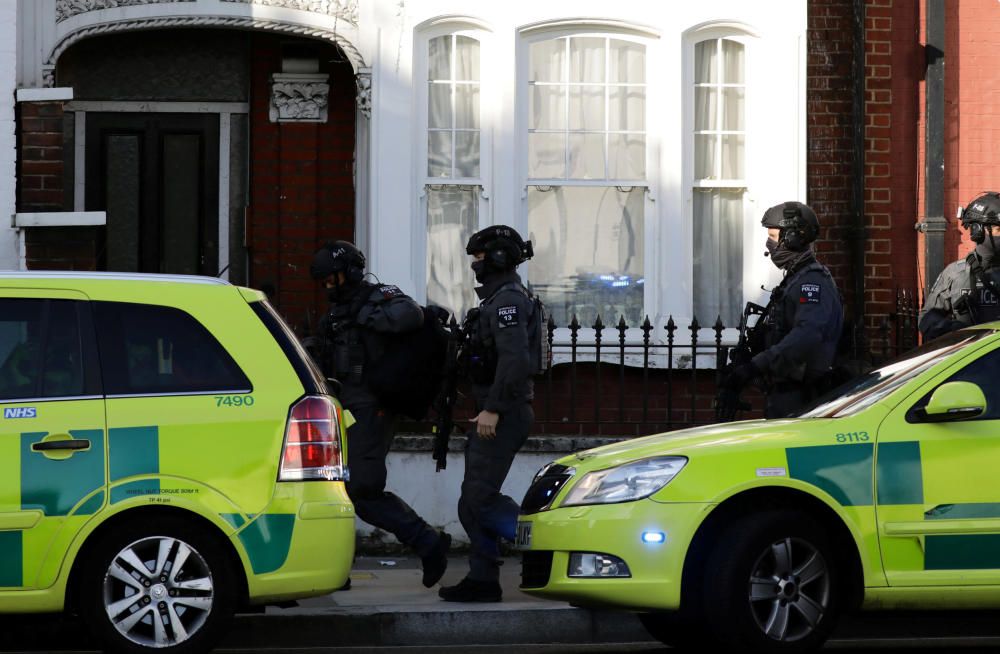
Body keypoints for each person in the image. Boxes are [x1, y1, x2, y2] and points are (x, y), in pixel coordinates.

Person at [310, 241, 451, 588]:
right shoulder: (334, 315)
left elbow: (411, 314)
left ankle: (427, 542)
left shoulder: (378, 296)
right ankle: (334, 567)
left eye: (333, 278)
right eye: (323, 280)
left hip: (373, 407)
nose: (328, 286)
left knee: (362, 489)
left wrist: (364, 317)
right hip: (342, 408)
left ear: (352, 272)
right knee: (331, 489)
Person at [439, 225, 536, 603]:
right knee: (471, 500)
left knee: (478, 496)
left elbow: (515, 362)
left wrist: (492, 410)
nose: (474, 265)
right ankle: (482, 579)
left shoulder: (509, 301)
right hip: (492, 411)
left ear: (496, 258)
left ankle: (548, 542)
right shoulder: (498, 298)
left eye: (479, 257)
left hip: (504, 414)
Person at [720, 202, 844, 419]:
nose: (769, 244)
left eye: (774, 236)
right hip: (787, 395)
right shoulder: (796, 279)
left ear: (793, 238)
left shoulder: (811, 282)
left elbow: (806, 336)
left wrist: (756, 366)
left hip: (802, 398)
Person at [919, 192, 1000, 340]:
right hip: (971, 359)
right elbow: (927, 319)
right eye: (999, 230)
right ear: (978, 231)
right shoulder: (956, 273)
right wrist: (955, 331)